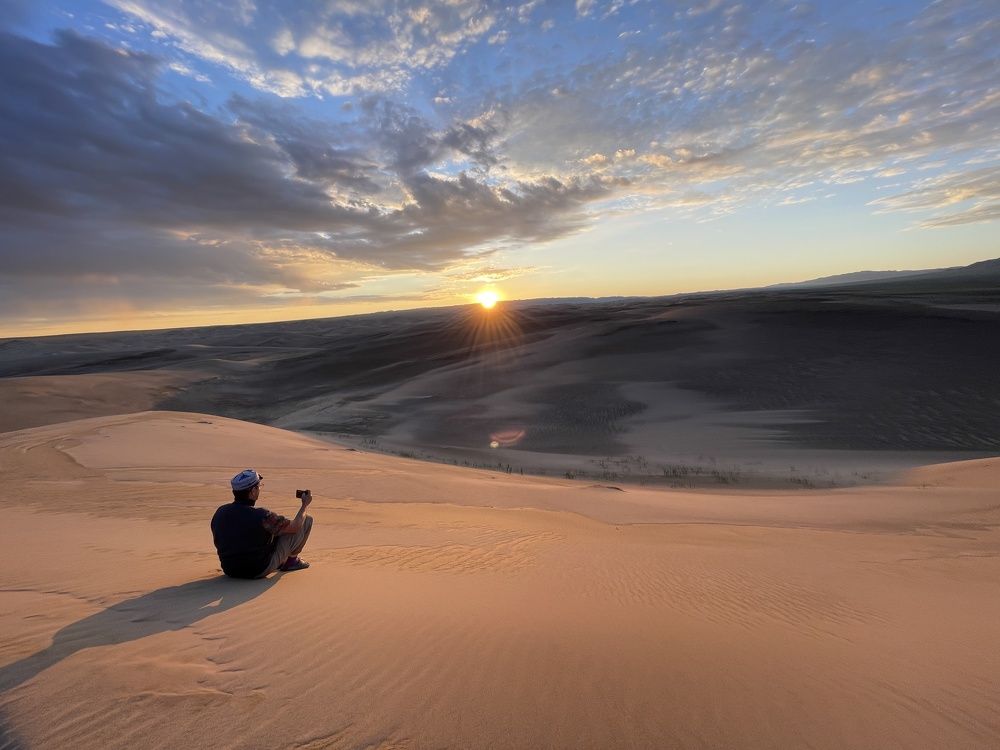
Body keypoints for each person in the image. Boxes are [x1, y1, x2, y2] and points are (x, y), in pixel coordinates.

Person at [211, 469, 313, 578]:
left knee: (275, 530)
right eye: (259, 486)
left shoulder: (220, 512)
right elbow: (295, 527)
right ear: (253, 491)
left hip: (230, 570)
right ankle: (292, 561)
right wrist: (304, 505)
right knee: (306, 520)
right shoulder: (262, 516)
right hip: (257, 569)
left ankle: (282, 559)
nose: (260, 489)